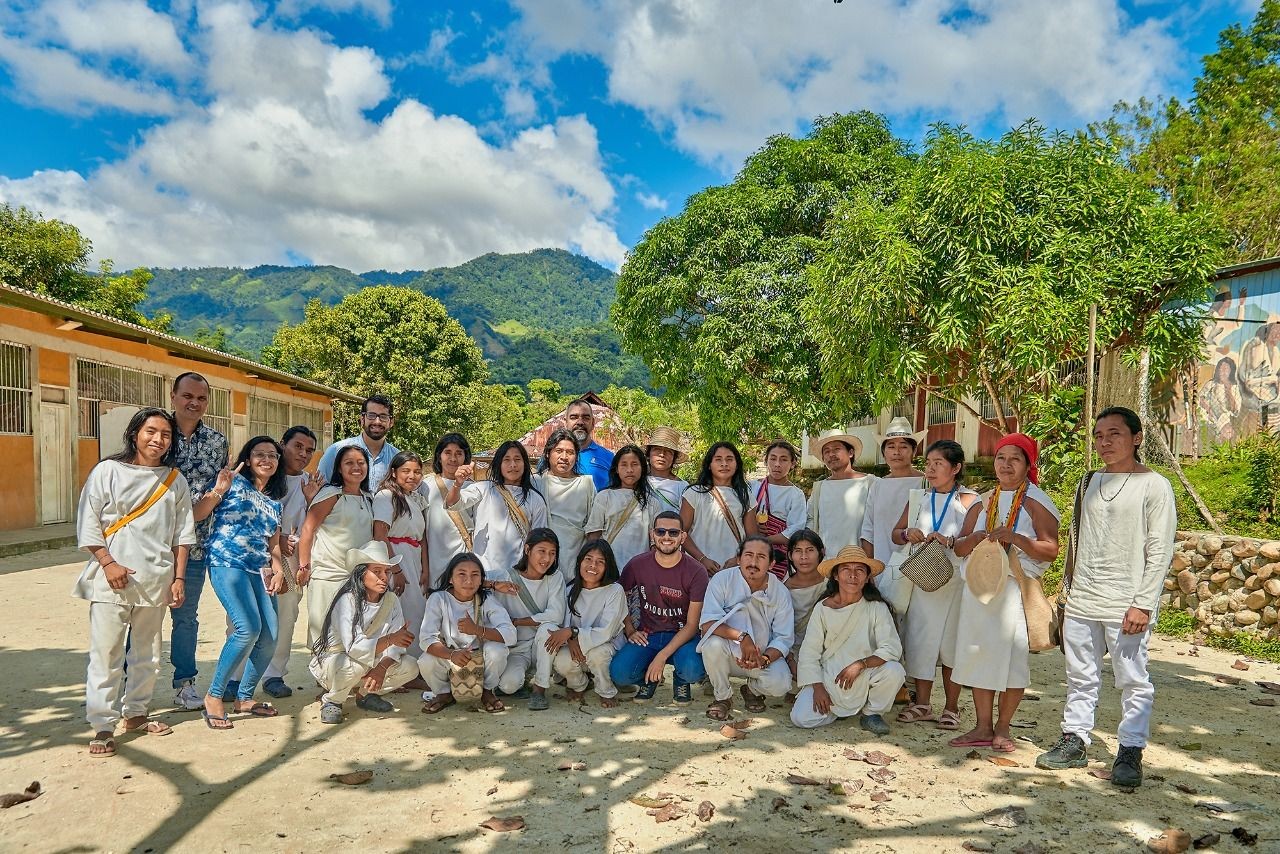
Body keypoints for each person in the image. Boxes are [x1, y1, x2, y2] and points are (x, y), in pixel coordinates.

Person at [1036, 407, 1177, 788]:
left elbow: (1159, 549)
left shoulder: (1155, 486)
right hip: (1083, 598)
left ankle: (1130, 751)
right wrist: (1066, 597)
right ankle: (1075, 739)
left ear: (1136, 438)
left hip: (1126, 603)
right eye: (1098, 435)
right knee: (1080, 676)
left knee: (1133, 679)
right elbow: (1077, 545)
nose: (1104, 442)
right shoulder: (1088, 482)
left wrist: (1143, 603)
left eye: (1114, 433)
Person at [75, 408, 196, 757]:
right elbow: (89, 523)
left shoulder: (174, 480)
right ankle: (102, 723)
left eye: (166, 434)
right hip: (111, 579)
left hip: (157, 578)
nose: (158, 440)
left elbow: (182, 535)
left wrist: (177, 578)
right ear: (135, 433)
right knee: (107, 652)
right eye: (151, 431)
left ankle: (137, 713)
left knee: (148, 653)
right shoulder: (107, 471)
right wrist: (108, 563)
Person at [950, 433, 1060, 753]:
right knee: (979, 656)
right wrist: (979, 538)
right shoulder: (984, 501)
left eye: (1015, 459)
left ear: (1028, 464)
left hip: (1012, 590)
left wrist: (1016, 537)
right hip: (980, 592)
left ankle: (1002, 727)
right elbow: (959, 547)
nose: (1006, 465)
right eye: (1001, 458)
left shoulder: (1036, 501)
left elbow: (1050, 550)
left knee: (1011, 662)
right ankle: (982, 726)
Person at [890, 439, 979, 732]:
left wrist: (951, 541)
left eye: (938, 464)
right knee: (921, 640)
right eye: (928, 464)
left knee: (951, 643)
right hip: (923, 578)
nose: (930, 469)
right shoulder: (919, 498)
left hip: (955, 581)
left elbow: (975, 540)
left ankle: (952, 707)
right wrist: (907, 533)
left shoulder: (969, 501)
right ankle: (923, 704)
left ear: (955, 468)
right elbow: (895, 533)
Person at [200, 436, 288, 729]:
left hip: (258, 569)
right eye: (259, 454)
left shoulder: (274, 503)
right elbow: (197, 514)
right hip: (228, 563)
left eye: (272, 455)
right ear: (248, 459)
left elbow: (273, 544)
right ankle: (213, 696)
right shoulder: (233, 483)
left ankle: (244, 697)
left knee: (271, 634)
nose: (266, 459)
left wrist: (278, 570)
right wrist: (218, 490)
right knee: (246, 628)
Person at [790, 545, 905, 733]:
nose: (853, 575)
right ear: (836, 575)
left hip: (864, 674)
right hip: (829, 679)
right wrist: (818, 688)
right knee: (800, 718)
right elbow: (810, 652)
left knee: (894, 670)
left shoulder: (876, 607)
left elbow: (891, 647)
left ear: (867, 577)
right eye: (846, 570)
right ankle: (838, 710)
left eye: (859, 570)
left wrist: (860, 664)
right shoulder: (823, 608)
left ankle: (871, 713)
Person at [167, 371, 229, 711]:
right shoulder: (157, 434)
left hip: (198, 543)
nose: (194, 402)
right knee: (139, 617)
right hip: (153, 544)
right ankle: (133, 686)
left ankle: (184, 683)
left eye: (201, 398)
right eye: (188, 395)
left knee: (186, 616)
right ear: (174, 395)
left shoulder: (217, 442)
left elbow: (221, 488)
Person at [309, 542, 421, 724]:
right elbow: (355, 648)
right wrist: (392, 638)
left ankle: (366, 694)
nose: (384, 578)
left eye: (387, 572)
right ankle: (332, 701)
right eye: (377, 572)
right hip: (337, 663)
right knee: (356, 665)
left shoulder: (391, 600)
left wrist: (381, 669)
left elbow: (396, 649)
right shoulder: (347, 601)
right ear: (361, 574)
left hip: (367, 661)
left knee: (411, 666)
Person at [610, 511, 709, 703]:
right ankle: (650, 678)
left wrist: (661, 657)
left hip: (683, 636)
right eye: (660, 531)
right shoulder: (637, 564)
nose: (666, 537)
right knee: (620, 674)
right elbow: (618, 597)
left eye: (673, 533)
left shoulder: (697, 571)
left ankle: (680, 680)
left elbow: (692, 625)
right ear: (652, 534)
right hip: (649, 634)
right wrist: (630, 630)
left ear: (683, 536)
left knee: (693, 672)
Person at [258, 425, 323, 698]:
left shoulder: (310, 483)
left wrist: (310, 499)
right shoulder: (262, 477)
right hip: (256, 556)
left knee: (286, 617)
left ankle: (274, 674)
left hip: (291, 562)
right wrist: (276, 540)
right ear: (282, 444)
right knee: (248, 618)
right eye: (298, 446)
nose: (303, 454)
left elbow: (313, 524)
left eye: (309, 450)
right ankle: (235, 678)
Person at [699, 536, 795, 720]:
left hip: (761, 656)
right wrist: (742, 637)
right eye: (748, 555)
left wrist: (764, 659)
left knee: (781, 683)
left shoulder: (780, 592)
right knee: (711, 644)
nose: (753, 562)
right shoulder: (722, 579)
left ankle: (751, 689)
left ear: (772, 563)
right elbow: (707, 623)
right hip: (727, 655)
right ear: (738, 558)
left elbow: (784, 638)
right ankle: (723, 698)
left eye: (761, 557)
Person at [534, 540, 628, 708]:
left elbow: (606, 631)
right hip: (576, 643)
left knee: (597, 655)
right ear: (580, 562)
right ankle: (579, 685)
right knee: (562, 660)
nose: (593, 565)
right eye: (588, 559)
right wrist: (571, 638)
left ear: (608, 566)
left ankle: (606, 690)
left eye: (600, 562)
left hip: (607, 645)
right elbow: (564, 625)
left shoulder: (614, 590)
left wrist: (574, 633)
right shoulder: (570, 589)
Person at [419, 553, 517, 714]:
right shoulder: (438, 599)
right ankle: (443, 693)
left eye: (475, 575)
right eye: (461, 574)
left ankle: (487, 691)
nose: (469, 581)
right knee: (425, 660)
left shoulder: (486, 599)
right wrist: (452, 654)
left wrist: (477, 630)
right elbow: (426, 639)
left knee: (497, 651)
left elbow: (510, 634)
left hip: (479, 657)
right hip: (449, 655)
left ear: (481, 580)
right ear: (450, 578)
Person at [298, 445, 374, 646]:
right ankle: (321, 678)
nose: (356, 467)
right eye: (349, 463)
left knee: (352, 634)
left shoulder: (369, 498)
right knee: (324, 634)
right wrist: (304, 566)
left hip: (357, 578)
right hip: (329, 575)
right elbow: (308, 530)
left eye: (361, 462)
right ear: (339, 468)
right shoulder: (331, 494)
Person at [485, 528, 569, 707]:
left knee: (549, 628)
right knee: (508, 686)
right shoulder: (504, 577)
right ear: (527, 550)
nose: (546, 559)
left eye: (552, 553)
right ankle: (523, 679)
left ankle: (540, 689)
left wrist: (517, 622)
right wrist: (493, 585)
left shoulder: (555, 578)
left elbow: (556, 614)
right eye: (542, 551)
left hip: (542, 645)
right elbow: (465, 580)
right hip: (517, 649)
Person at [447, 441, 549, 575]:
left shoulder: (535, 499)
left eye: (517, 459)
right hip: (484, 574)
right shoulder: (483, 489)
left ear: (525, 463)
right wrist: (458, 484)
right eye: (506, 460)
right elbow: (453, 503)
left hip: (518, 576)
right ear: (499, 464)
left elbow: (539, 542)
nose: (513, 465)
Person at [859, 417, 926, 609]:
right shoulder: (878, 485)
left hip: (918, 564)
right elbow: (868, 530)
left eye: (904, 446)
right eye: (891, 446)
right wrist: (870, 569)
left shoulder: (926, 483)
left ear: (914, 451)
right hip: (882, 565)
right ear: (883, 452)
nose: (897, 452)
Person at [373, 452, 430, 660]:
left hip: (414, 560)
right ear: (394, 472)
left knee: (417, 612)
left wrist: (426, 569)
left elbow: (422, 538)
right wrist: (395, 570)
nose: (412, 476)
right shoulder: (386, 496)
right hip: (395, 559)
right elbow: (380, 535)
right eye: (406, 471)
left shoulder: (415, 499)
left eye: (417, 472)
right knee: (400, 614)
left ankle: (412, 664)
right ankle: (394, 665)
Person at [681, 442, 757, 575]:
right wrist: (702, 559)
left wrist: (739, 559)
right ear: (709, 465)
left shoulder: (745, 496)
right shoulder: (694, 493)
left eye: (729, 459)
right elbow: (681, 532)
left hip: (734, 569)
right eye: (718, 459)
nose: (724, 464)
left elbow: (752, 537)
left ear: (737, 464)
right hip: (697, 568)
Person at [585, 444, 659, 571]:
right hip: (608, 568)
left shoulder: (652, 502)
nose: (629, 470)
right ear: (617, 469)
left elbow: (655, 541)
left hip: (640, 570)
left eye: (635, 464)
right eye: (624, 464)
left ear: (642, 468)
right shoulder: (605, 497)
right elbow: (594, 535)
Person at [534, 429, 596, 578]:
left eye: (570, 452)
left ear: (576, 456)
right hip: (539, 560)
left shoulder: (586, 484)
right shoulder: (536, 482)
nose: (564, 457)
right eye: (559, 451)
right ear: (548, 453)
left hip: (576, 559)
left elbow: (594, 525)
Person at [807, 429, 879, 554]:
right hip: (827, 562)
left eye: (836, 449)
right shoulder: (820, 488)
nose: (831, 454)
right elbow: (811, 521)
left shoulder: (871, 483)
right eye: (827, 451)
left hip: (860, 562)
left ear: (850, 452)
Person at [420, 433, 475, 590]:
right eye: (448, 453)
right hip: (433, 561)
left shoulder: (474, 488)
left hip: (463, 560)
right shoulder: (425, 485)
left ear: (466, 457)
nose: (453, 458)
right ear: (439, 456)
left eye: (459, 453)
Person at [747, 441, 808, 579]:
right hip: (751, 549)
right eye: (773, 458)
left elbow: (795, 530)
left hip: (778, 554)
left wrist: (764, 539)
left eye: (784, 459)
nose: (777, 464)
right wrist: (753, 528)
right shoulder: (753, 487)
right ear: (766, 461)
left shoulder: (795, 494)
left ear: (793, 464)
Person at [316, 395, 400, 492]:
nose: (377, 421)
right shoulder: (336, 451)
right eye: (371, 415)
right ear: (362, 419)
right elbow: (320, 490)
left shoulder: (397, 458)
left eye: (383, 417)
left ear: (391, 422)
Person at [785, 529, 828, 689]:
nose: (804, 557)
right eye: (798, 551)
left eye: (810, 550)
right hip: (794, 649)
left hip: (826, 647)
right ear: (790, 556)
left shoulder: (832, 584)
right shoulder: (783, 589)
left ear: (821, 552)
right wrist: (790, 658)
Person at [565, 397, 614, 490]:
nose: (580, 422)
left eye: (586, 418)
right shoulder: (553, 456)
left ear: (593, 423)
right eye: (574, 417)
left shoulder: (610, 458)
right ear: (565, 422)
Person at [645, 426, 689, 514]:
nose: (662, 454)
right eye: (657, 449)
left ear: (674, 458)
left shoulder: (682, 487)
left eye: (668, 451)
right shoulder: (638, 481)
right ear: (649, 454)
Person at [1198, 356, 1241, 445]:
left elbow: (1235, 410)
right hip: (1210, 414)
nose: (1223, 371)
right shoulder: (1211, 384)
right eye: (1220, 368)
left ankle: (1221, 442)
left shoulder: (1235, 388)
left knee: (1227, 428)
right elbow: (1201, 397)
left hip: (1227, 417)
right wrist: (1208, 408)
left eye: (1226, 368)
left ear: (1231, 371)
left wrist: (1228, 390)